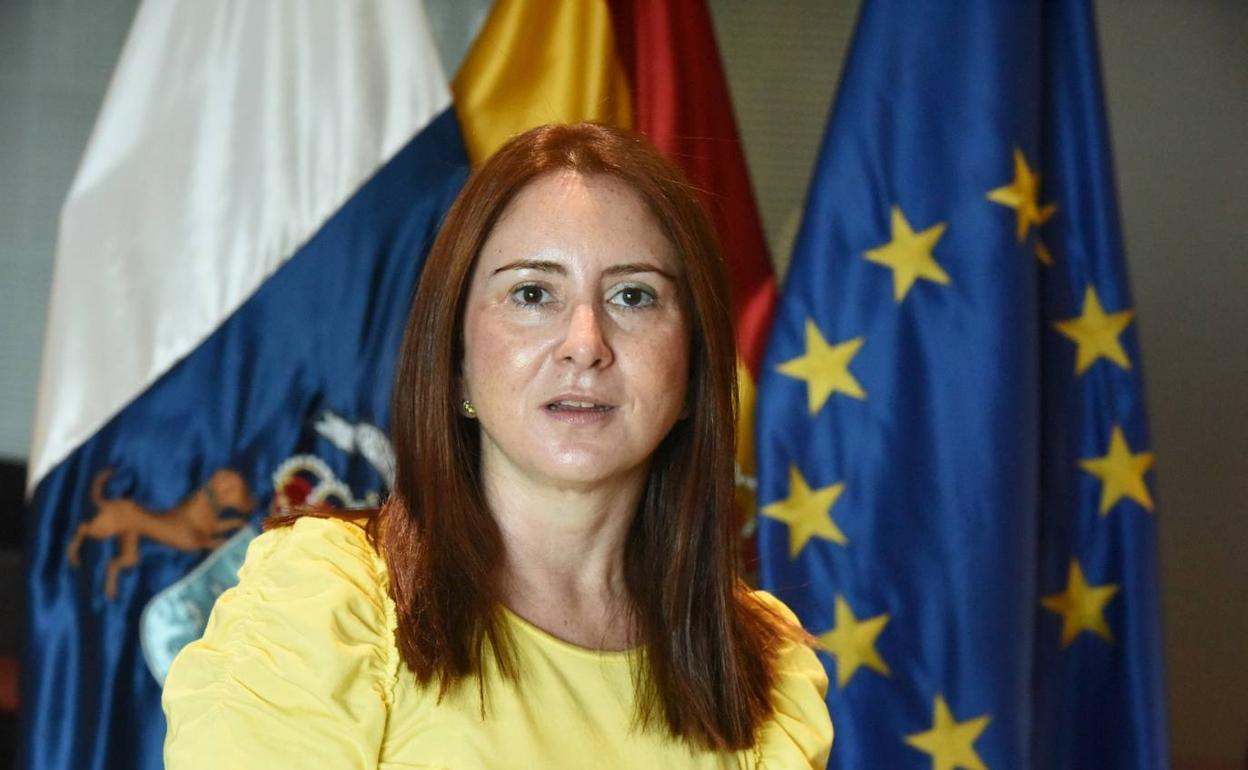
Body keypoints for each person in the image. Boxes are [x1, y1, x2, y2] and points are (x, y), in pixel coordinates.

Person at [162, 122, 833, 769]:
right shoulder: (327, 599)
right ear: (457, 362)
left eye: (633, 296)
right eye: (532, 293)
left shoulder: (767, 670)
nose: (585, 344)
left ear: (693, 370)